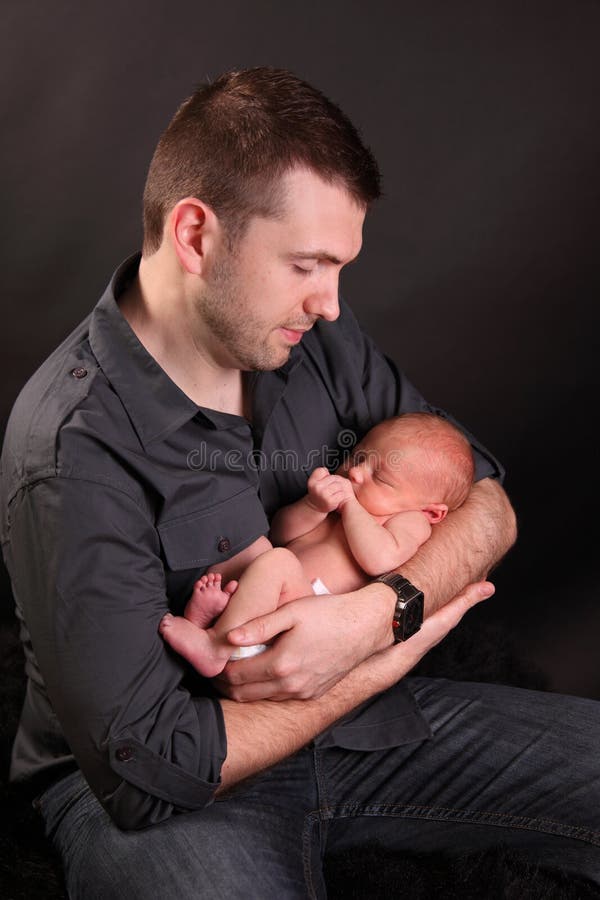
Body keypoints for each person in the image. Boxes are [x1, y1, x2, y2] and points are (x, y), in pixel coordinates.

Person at [1, 67, 599, 898]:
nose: (329, 303)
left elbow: (484, 502)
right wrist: (376, 663)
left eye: (342, 267)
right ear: (196, 236)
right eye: (309, 265)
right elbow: (146, 772)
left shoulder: (309, 338)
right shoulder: (71, 447)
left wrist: (377, 617)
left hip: (366, 735)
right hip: (173, 792)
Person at [160, 412, 475, 677]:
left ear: (431, 511)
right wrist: (314, 506)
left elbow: (380, 559)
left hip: (308, 611)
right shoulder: (340, 505)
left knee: (277, 562)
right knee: (253, 544)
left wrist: (350, 505)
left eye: (380, 478)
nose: (355, 472)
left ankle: (215, 647)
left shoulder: (410, 520)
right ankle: (210, 621)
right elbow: (282, 533)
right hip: (275, 596)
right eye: (359, 457)